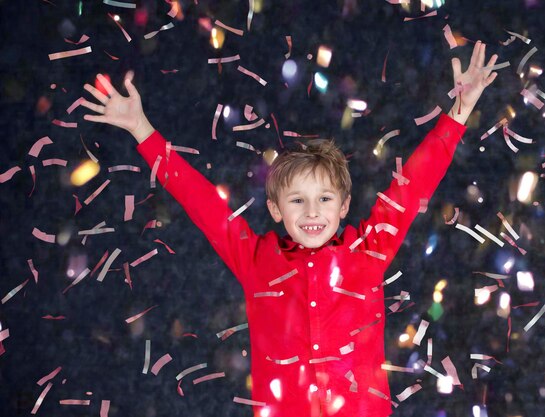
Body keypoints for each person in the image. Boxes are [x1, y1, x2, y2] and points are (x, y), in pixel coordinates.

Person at [81, 41, 498, 417]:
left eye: (325, 199)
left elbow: (413, 186)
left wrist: (459, 113)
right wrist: (142, 130)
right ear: (276, 209)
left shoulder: (369, 251)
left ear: (345, 206)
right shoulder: (255, 258)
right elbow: (202, 202)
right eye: (297, 200)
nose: (312, 212)